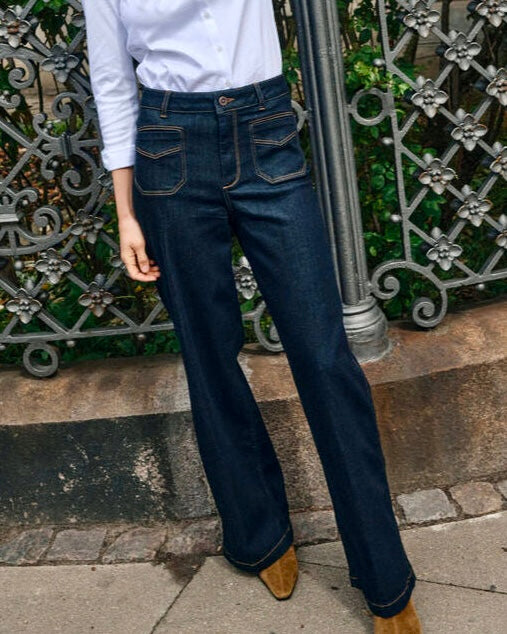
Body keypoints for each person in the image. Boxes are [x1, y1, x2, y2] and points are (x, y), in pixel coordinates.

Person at [81, 2, 422, 631]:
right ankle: (261, 536)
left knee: (325, 359)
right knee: (209, 359)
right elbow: (112, 83)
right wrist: (126, 214)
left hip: (265, 129)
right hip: (168, 149)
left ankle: (386, 580)